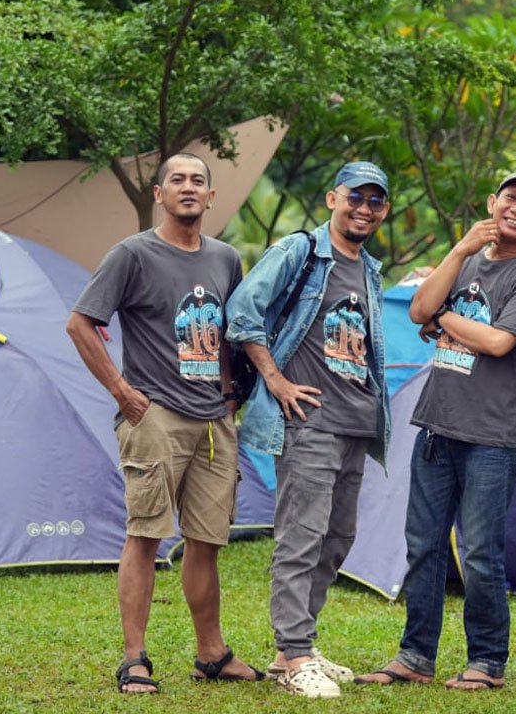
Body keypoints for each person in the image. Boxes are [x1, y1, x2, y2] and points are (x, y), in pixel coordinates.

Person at [67, 152, 265, 694]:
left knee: (206, 540)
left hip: (214, 423)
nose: (188, 187)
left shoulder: (225, 258)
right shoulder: (131, 254)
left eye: (198, 180)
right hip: (155, 417)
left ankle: (212, 654)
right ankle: (134, 660)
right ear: (159, 194)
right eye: (177, 179)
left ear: (211, 196)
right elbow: (80, 324)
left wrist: (229, 396)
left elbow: (227, 334)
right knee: (145, 535)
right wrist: (122, 391)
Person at [354, 172, 516, 691]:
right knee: (423, 545)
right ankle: (416, 656)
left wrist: (444, 317)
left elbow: (498, 342)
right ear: (492, 203)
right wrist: (461, 248)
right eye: (511, 198)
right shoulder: (464, 262)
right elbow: (417, 309)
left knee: (481, 553)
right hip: (435, 427)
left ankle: (487, 660)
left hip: (490, 435)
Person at [225, 161, 392, 699]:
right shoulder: (299, 251)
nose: (364, 208)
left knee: (337, 539)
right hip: (308, 423)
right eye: (355, 197)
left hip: (356, 425)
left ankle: (294, 649)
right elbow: (242, 311)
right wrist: (275, 380)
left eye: (375, 201)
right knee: (302, 537)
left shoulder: (370, 269)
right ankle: (295, 654)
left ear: (384, 210)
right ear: (332, 199)